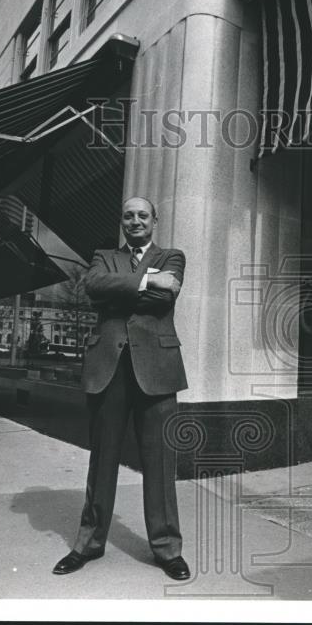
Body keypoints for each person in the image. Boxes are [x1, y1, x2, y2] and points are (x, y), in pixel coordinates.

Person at [52, 196, 191, 581]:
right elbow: (93, 286)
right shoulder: (103, 256)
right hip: (108, 370)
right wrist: (147, 280)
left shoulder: (173, 256)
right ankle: (88, 544)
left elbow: (166, 296)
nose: (135, 220)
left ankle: (167, 550)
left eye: (142, 215)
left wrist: (120, 291)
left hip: (157, 370)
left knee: (160, 464)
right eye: (128, 215)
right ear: (122, 222)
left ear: (154, 220)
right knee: (102, 461)